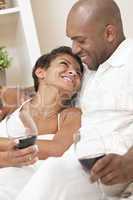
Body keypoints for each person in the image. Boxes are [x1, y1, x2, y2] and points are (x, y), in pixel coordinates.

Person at [16, 0, 133, 200]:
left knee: (54, 171)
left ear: (109, 34)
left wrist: (131, 161)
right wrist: (7, 94)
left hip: (115, 167)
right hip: (83, 167)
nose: (75, 49)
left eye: (81, 41)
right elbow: (48, 86)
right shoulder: (86, 70)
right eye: (72, 40)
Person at [0, 46, 84, 199]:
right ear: (40, 72)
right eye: (64, 64)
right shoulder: (13, 100)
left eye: (78, 73)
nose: (73, 72)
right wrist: (5, 158)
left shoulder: (71, 115)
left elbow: (57, 149)